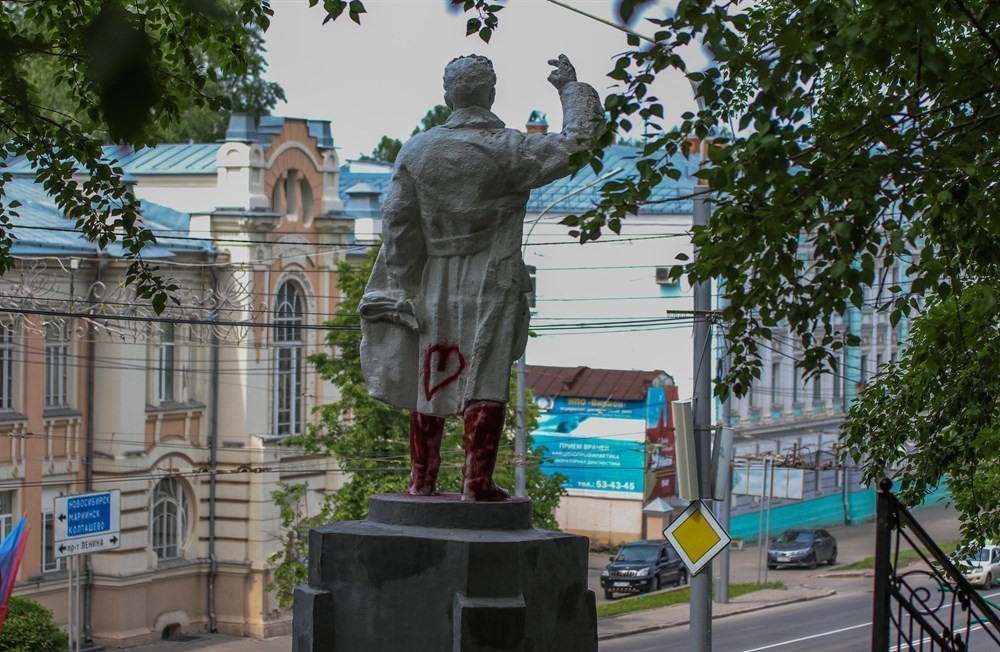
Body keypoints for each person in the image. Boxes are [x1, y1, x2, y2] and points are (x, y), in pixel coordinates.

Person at [359, 53, 601, 501]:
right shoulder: (509, 149)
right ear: (490, 93)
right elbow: (578, 144)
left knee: (430, 374)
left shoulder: (416, 150)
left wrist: (406, 279)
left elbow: (397, 219)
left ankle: (421, 481)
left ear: (448, 95)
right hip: (492, 276)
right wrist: (570, 88)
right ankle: (476, 483)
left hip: (433, 275)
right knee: (485, 375)